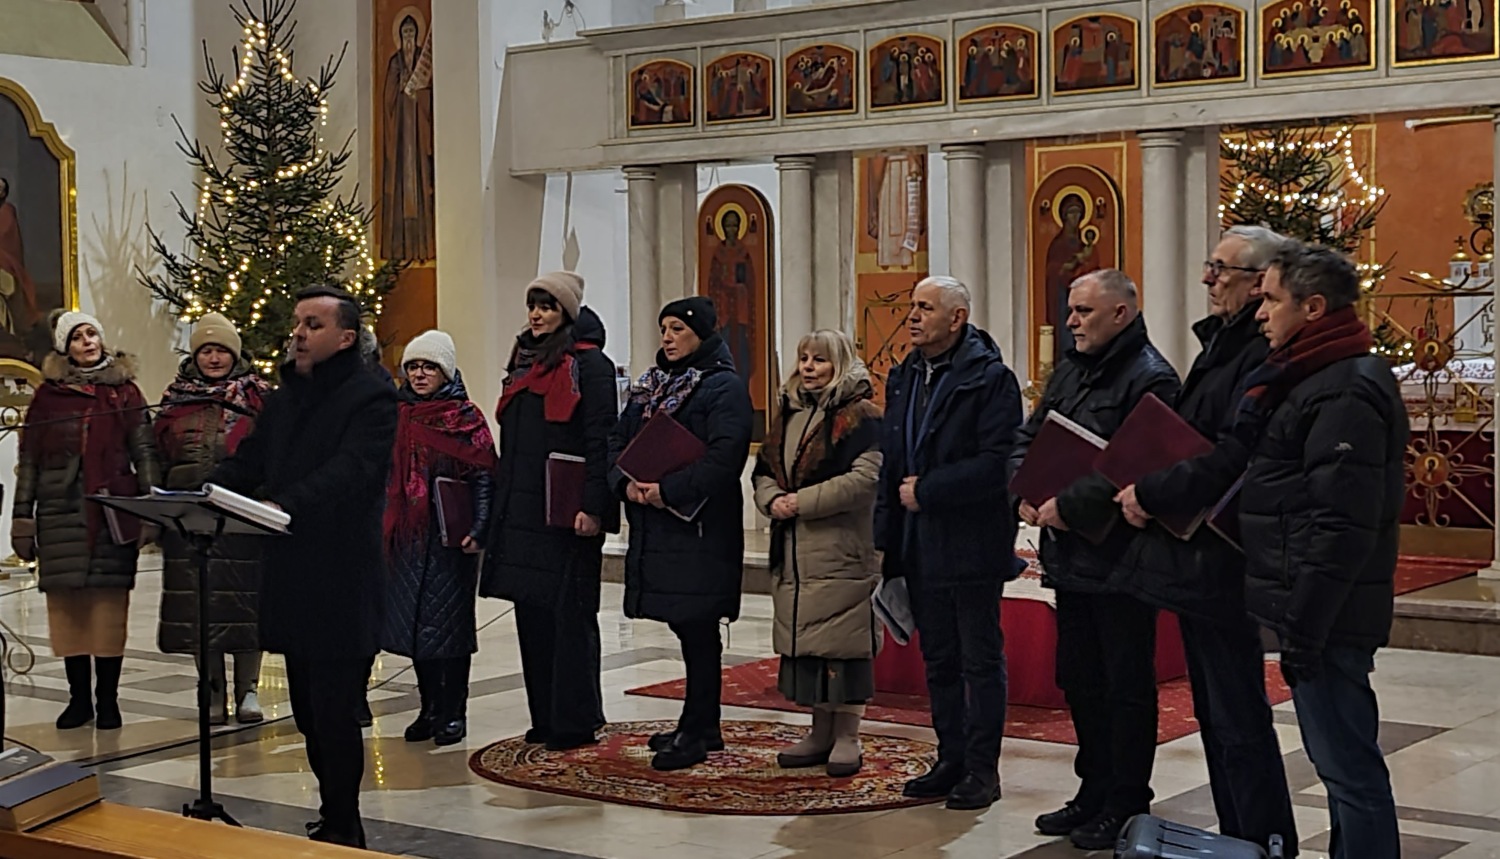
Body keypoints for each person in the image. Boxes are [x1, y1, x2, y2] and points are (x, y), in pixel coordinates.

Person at [1113, 226, 1300, 851]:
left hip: (1225, 552)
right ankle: (1239, 836)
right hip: (1196, 551)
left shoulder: (1256, 354)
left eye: (1221, 269)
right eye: (1209, 265)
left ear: (1260, 282)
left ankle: (1263, 837)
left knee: (1238, 714)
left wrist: (1153, 492)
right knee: (1218, 715)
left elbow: (1229, 453)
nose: (1207, 279)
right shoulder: (1222, 343)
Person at [210, 285, 397, 849]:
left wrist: (285, 504)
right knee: (306, 711)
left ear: (345, 337)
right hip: (291, 573)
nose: (298, 334)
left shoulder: (372, 398)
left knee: (335, 711)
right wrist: (203, 490)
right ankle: (330, 811)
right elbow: (252, 461)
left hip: (342, 577)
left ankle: (346, 822)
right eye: (297, 323)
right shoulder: (285, 397)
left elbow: (351, 471)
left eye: (313, 325)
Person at [1235, 244, 1405, 859]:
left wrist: (1304, 626)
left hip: (1329, 612)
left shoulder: (1344, 390)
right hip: (1318, 606)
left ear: (1312, 307)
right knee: (1339, 766)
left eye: (1271, 299)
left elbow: (1341, 524)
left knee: (1348, 768)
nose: (1260, 313)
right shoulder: (1315, 375)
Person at [1013, 269, 1180, 850]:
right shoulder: (1071, 369)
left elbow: (1134, 465)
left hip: (1123, 558)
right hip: (1071, 557)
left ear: (1121, 313)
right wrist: (1024, 489)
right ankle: (1092, 790)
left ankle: (1126, 802)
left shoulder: (1152, 378)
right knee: (1081, 679)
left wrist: (1067, 506)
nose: (1071, 321)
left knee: (1123, 684)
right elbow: (1030, 436)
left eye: (1083, 311)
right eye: (1071, 310)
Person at [875, 276, 1023, 811]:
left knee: (978, 660)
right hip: (918, 542)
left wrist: (930, 491)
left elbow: (997, 463)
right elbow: (893, 459)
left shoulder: (990, 379)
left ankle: (982, 770)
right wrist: (885, 538)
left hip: (971, 540)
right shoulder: (904, 375)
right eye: (912, 306)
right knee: (938, 659)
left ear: (957, 318)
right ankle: (950, 758)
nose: (913, 316)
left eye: (925, 308)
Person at [609, 296, 752, 772]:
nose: (667, 338)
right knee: (686, 627)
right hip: (659, 525)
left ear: (702, 334)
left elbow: (725, 457)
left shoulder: (723, 387)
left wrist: (667, 490)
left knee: (698, 626)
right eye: (663, 329)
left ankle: (699, 729)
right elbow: (618, 441)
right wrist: (625, 484)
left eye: (677, 329)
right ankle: (699, 724)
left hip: (701, 529)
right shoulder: (653, 385)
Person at [482, 273, 619, 751]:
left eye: (547, 306)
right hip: (524, 510)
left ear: (566, 313)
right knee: (533, 616)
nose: (536, 315)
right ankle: (544, 715)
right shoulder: (523, 361)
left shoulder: (590, 365)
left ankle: (576, 720)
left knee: (570, 618)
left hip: (567, 512)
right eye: (533, 305)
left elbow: (601, 439)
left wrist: (594, 506)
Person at [11, 310, 161, 731]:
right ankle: (79, 700)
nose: (87, 342)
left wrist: (151, 506)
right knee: (69, 611)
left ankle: (108, 700)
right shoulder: (48, 398)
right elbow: (30, 461)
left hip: (111, 510)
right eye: (77, 337)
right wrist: (22, 517)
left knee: (109, 609)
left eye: (92, 334)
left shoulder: (125, 392)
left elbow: (144, 451)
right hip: (60, 510)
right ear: (66, 348)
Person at [752, 330, 883, 778]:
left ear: (839, 364)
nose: (808, 367)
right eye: (804, 358)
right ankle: (819, 730)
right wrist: (772, 499)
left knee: (843, 646)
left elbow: (865, 479)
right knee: (809, 646)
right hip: (794, 549)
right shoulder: (789, 412)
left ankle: (848, 734)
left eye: (820, 360)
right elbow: (764, 470)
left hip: (840, 548)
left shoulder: (862, 417)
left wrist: (800, 502)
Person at [154, 313, 271, 726]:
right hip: (189, 519)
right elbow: (157, 454)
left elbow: (273, 453)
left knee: (244, 607)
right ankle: (212, 689)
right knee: (199, 609)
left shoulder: (257, 397)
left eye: (222, 350)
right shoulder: (174, 399)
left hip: (241, 517)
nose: (215, 358)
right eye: (206, 350)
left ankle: (248, 689)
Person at [383, 329, 497, 747]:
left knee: (449, 629)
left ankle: (453, 711)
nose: (419, 374)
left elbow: (484, 475)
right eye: (413, 367)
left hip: (450, 538)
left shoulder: (464, 418)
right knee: (416, 629)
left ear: (445, 371)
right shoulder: (397, 415)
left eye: (428, 367)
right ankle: (429, 708)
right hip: (407, 538)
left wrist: (480, 528)